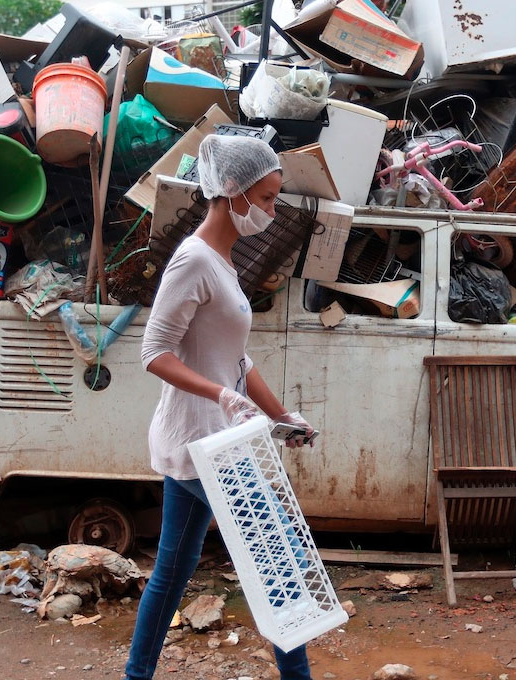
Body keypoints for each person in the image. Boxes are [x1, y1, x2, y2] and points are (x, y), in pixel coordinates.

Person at [125, 134, 316, 680]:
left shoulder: (222, 263)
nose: (271, 212)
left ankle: (136, 675)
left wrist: (282, 416)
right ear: (231, 189)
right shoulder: (193, 260)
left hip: (215, 440)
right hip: (202, 442)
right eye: (267, 198)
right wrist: (220, 394)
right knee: (279, 563)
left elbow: (237, 359)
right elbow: (154, 351)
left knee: (172, 572)